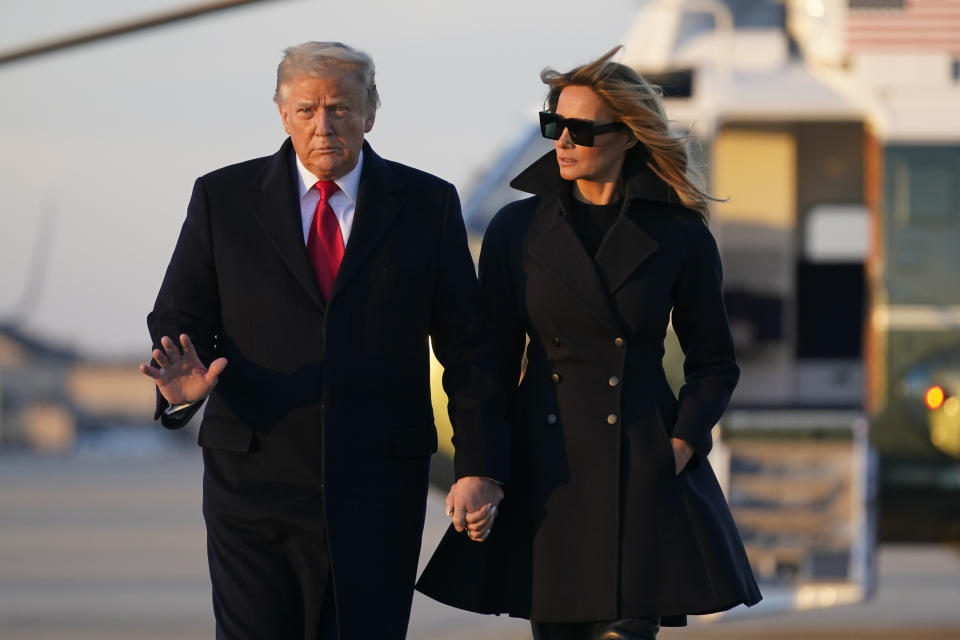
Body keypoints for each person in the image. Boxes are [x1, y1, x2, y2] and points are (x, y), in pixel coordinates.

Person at [139, 41, 505, 640]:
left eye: (340, 107)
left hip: (380, 485)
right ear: (283, 115)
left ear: (371, 112)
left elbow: (471, 351)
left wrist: (479, 465)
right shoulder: (222, 199)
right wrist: (183, 386)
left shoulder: (427, 205)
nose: (324, 125)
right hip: (253, 484)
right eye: (307, 110)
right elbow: (178, 314)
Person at [416, 46, 761, 639]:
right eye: (554, 125)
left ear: (628, 136)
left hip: (642, 468)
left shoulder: (678, 233)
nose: (563, 141)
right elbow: (491, 365)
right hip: (548, 473)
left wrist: (679, 442)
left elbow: (714, 364)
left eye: (580, 129)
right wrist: (480, 468)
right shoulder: (515, 230)